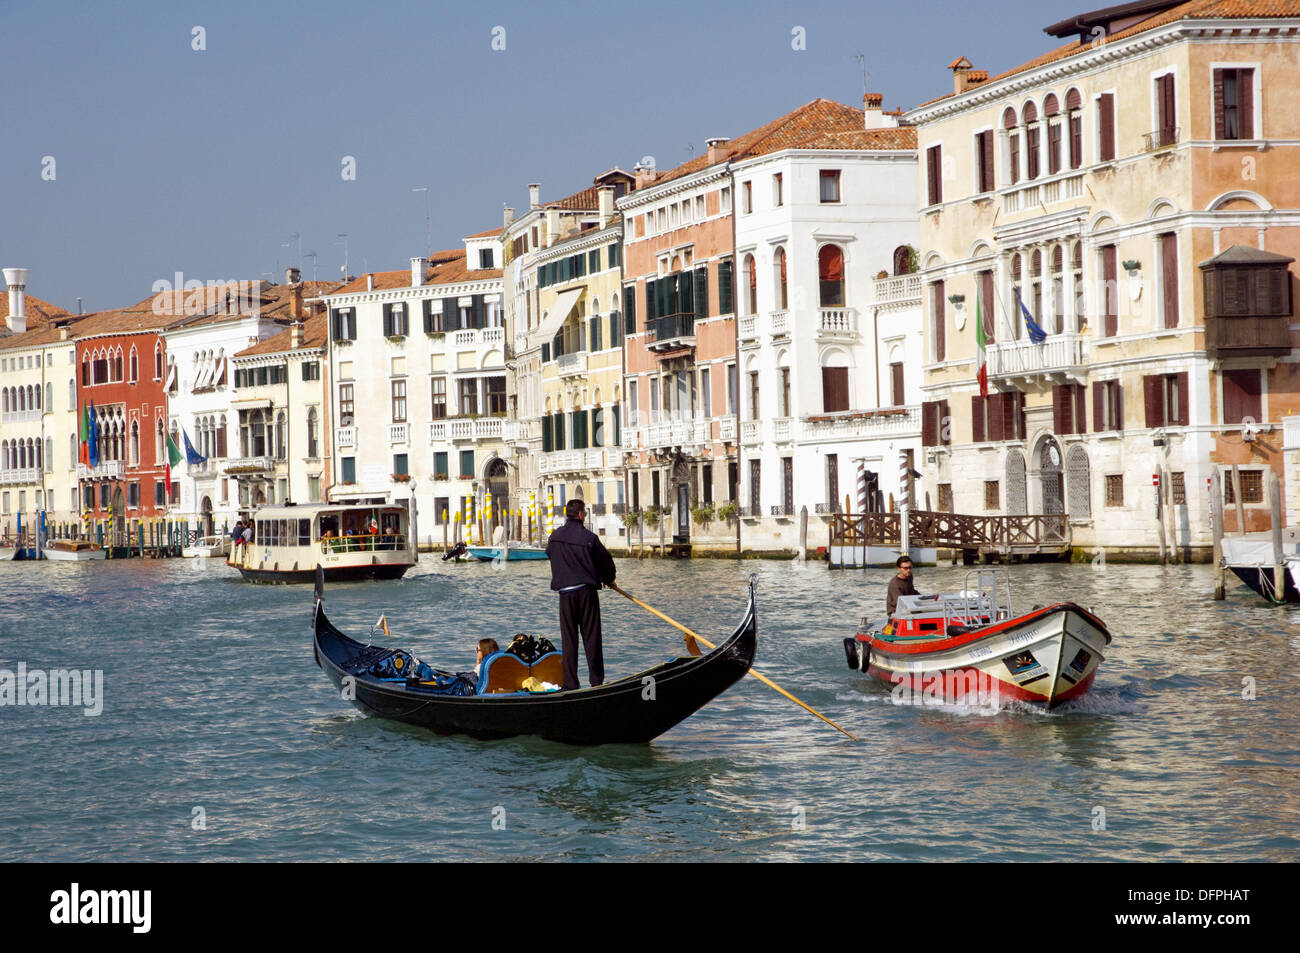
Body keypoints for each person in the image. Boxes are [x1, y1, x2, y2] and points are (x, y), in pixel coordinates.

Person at [546, 499, 617, 691]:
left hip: (566, 594)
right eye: (584, 513)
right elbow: (606, 562)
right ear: (580, 515)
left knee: (569, 639)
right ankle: (596, 682)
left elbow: (550, 554)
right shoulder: (589, 538)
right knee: (592, 637)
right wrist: (608, 578)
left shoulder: (554, 537)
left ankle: (570, 684)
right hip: (586, 592)